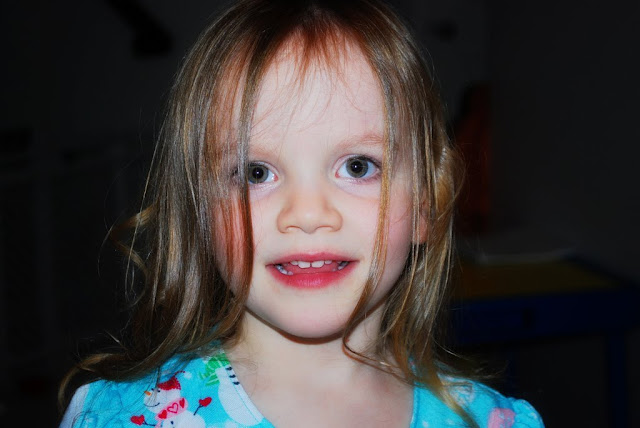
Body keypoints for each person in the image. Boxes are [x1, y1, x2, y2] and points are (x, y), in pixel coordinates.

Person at [60, 0, 543, 426]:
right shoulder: (123, 419)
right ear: (200, 215)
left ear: (425, 206)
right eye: (256, 173)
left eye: (358, 166)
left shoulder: (491, 422)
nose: (308, 215)